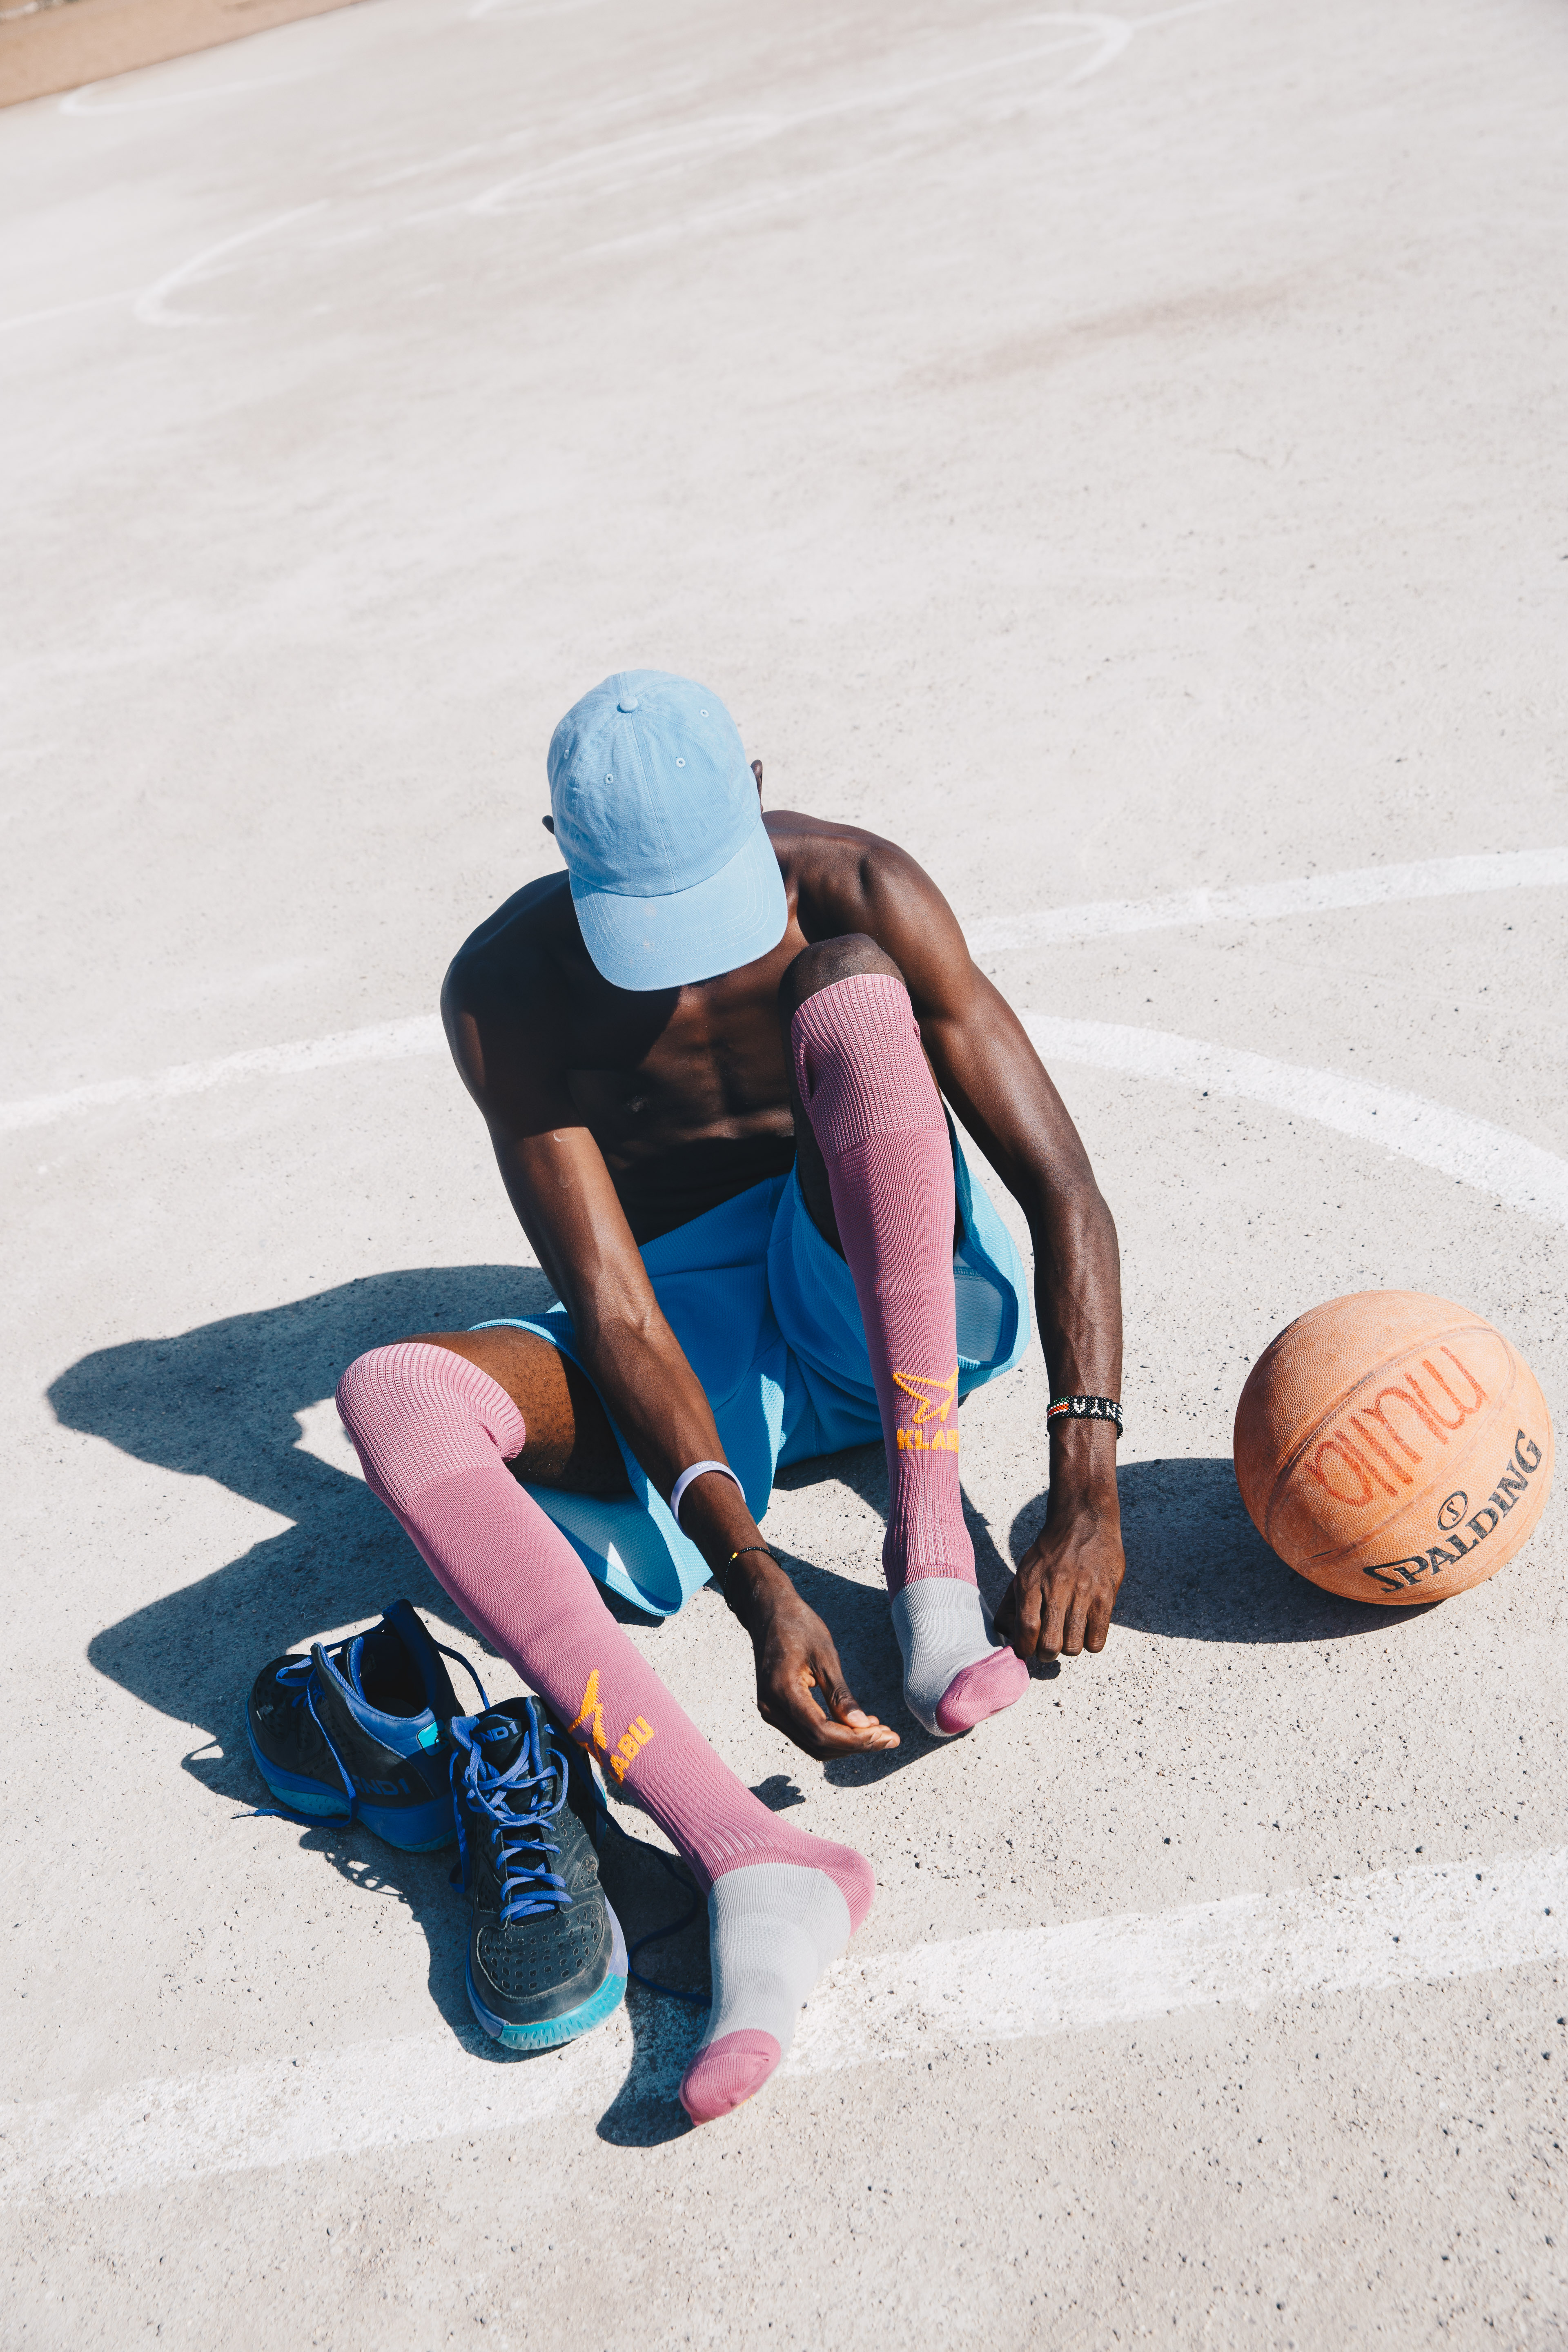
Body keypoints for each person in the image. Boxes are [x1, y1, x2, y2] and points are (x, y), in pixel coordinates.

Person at [335, 669, 1124, 2123]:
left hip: (869, 1287)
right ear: (559, 848)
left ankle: (931, 1562)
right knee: (393, 1392)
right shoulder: (503, 988)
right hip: (689, 1354)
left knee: (849, 997)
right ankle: (747, 1854)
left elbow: (1059, 1182)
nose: (692, 978)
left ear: (762, 787)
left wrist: (1086, 1481)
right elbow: (616, 1304)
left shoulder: (857, 883)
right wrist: (749, 1575)